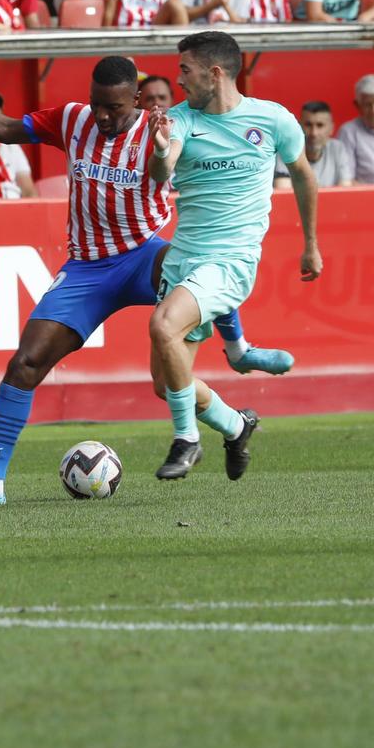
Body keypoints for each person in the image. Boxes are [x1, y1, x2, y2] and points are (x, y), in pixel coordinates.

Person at [0, 62, 181, 506]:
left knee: (194, 274)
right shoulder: (73, 119)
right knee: (24, 363)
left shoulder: (161, 130)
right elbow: (8, 128)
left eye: (114, 108)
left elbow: (170, 175)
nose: (102, 116)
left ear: (137, 101)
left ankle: (237, 357)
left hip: (145, 254)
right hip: (88, 268)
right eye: (97, 104)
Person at [143, 30, 320, 481]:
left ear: (214, 73)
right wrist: (162, 149)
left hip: (230, 264)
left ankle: (187, 440)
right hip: (185, 260)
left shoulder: (273, 119)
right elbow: (164, 168)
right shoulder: (180, 119)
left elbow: (302, 175)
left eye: (185, 70)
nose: (178, 80)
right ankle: (236, 425)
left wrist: (311, 244)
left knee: (163, 323)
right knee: (167, 383)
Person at [278, 99, 355, 188]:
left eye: (320, 125)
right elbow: (283, 191)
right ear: (299, 127)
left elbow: (345, 191)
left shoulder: (338, 149)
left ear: (331, 128)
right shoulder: (287, 150)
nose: (314, 133)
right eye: (308, 125)